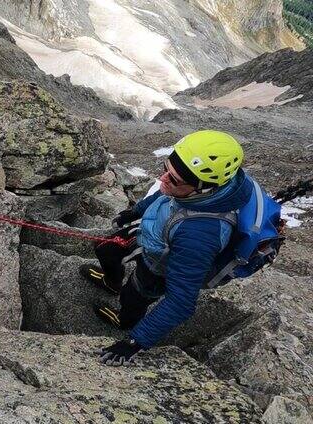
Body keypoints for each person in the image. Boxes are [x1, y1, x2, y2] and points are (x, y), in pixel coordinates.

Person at [80, 130, 256, 366]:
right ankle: (111, 282)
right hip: (156, 234)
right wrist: (136, 211)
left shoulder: (200, 233)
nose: (163, 178)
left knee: (134, 294)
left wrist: (134, 343)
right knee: (105, 249)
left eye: (173, 178)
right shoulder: (196, 189)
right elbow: (165, 196)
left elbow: (181, 302)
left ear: (202, 187)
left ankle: (125, 321)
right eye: (165, 168)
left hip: (158, 265)